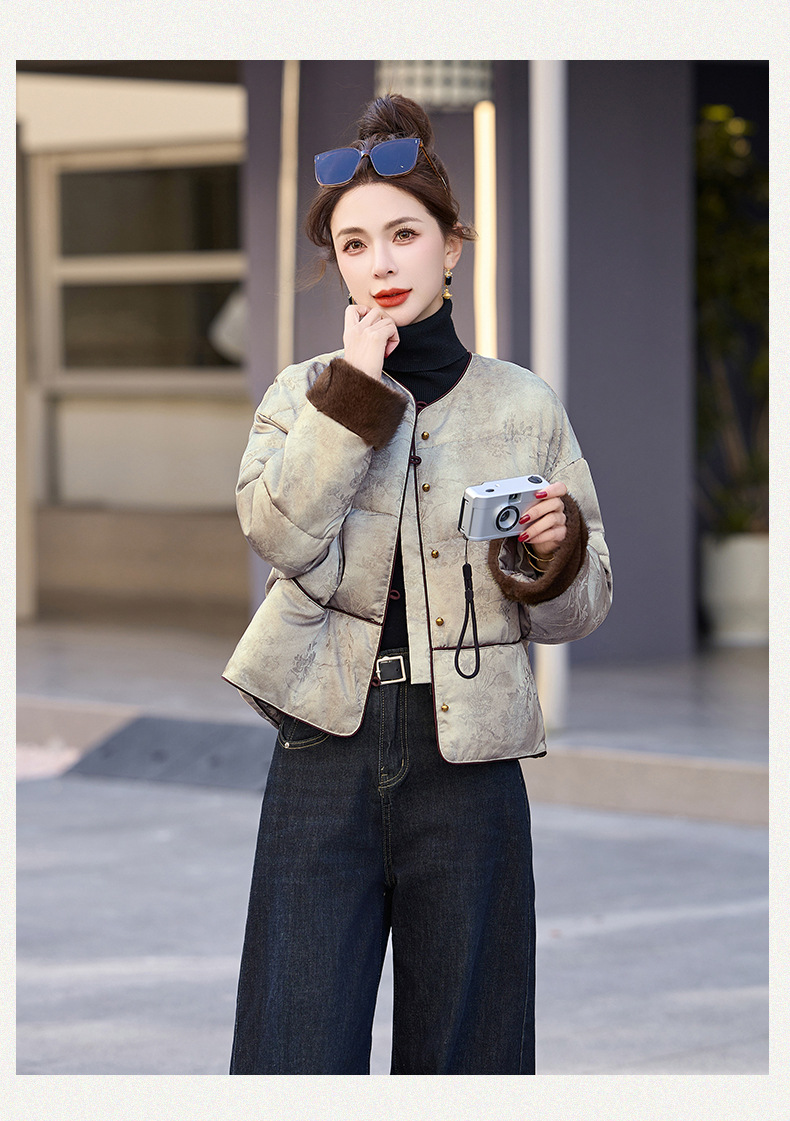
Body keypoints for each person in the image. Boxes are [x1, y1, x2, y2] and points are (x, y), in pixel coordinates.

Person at [223, 94, 612, 1075]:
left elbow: (583, 607)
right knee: (294, 1046)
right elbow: (277, 533)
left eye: (403, 234)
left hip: (469, 757)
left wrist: (554, 552)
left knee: (469, 1052)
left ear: (451, 248)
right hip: (324, 741)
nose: (380, 262)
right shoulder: (302, 392)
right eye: (353, 245)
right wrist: (351, 397)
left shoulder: (521, 402)